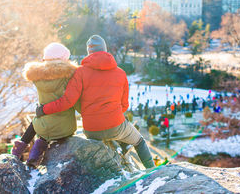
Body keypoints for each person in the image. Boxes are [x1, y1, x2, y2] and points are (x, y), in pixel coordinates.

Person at [37, 35, 155, 169]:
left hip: (92, 130)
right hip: (115, 125)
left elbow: (67, 102)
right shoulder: (120, 73)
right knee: (139, 141)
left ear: (89, 52)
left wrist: (43, 109)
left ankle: (120, 147)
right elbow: (124, 105)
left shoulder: (80, 72)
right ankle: (151, 170)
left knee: (112, 135)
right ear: (105, 50)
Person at [11, 43, 79, 167]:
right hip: (64, 128)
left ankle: (30, 152)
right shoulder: (70, 75)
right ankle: (37, 147)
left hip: (43, 126)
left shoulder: (37, 76)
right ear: (63, 59)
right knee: (53, 123)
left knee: (39, 122)